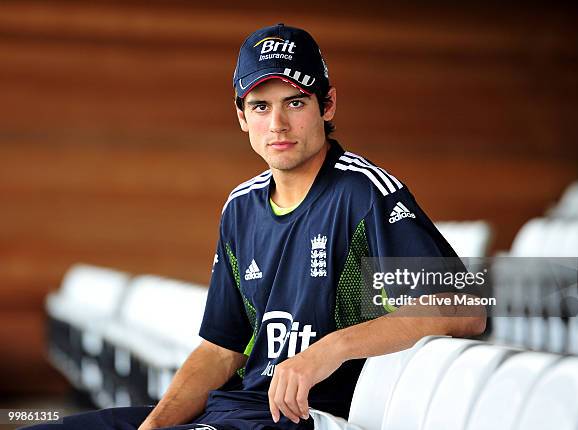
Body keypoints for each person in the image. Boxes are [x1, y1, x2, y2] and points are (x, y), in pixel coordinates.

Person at [26, 23, 485, 430]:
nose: (278, 124)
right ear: (242, 117)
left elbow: (465, 309)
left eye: (295, 102)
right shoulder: (241, 206)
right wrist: (153, 425)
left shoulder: (363, 193)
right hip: (233, 410)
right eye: (261, 106)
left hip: (303, 417)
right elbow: (220, 350)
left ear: (327, 105)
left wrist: (328, 350)